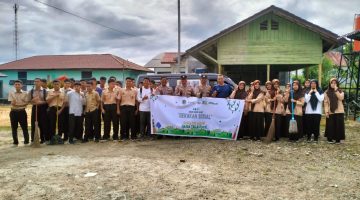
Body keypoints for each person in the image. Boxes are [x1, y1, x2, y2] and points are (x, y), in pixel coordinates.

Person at [324, 78, 345, 144]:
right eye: (332, 83)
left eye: (335, 83)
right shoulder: (326, 92)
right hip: (331, 111)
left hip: (339, 111)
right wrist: (326, 111)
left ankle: (338, 139)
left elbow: (341, 98)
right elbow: (326, 102)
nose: (333, 84)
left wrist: (336, 91)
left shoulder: (341, 91)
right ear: (330, 84)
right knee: (330, 125)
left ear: (337, 84)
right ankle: (330, 138)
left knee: (339, 125)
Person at [8, 80, 29, 145]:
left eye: (18, 84)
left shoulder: (25, 93)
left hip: (22, 112)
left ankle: (26, 141)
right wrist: (22, 104)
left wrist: (18, 104)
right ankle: (15, 141)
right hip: (13, 112)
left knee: (24, 127)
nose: (17, 85)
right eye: (16, 84)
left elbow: (26, 103)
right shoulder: (11, 93)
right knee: (14, 128)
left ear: (21, 85)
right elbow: (12, 103)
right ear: (14, 85)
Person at [29, 78, 48, 143]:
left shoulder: (45, 91)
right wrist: (33, 101)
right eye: (35, 81)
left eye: (38, 81)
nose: (36, 83)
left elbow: (47, 101)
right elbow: (29, 101)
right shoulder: (31, 91)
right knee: (34, 123)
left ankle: (43, 139)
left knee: (43, 124)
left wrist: (41, 102)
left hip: (43, 108)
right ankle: (33, 139)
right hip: (35, 108)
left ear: (41, 83)